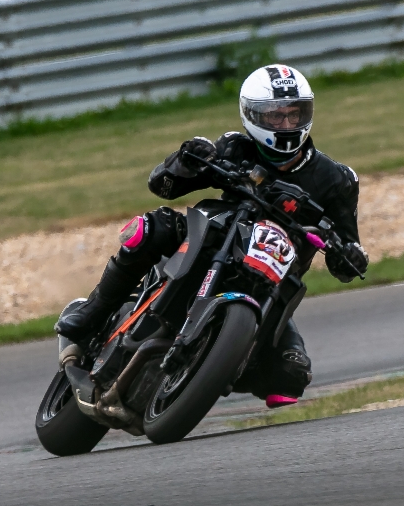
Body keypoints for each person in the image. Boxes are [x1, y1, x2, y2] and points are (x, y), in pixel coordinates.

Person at [55, 63, 369, 407]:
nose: (286, 124)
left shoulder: (338, 179)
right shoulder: (235, 147)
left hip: (272, 281)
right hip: (215, 237)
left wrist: (350, 255)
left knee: (291, 377)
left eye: (294, 114)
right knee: (151, 228)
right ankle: (94, 312)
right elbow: (163, 186)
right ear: (252, 115)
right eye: (275, 116)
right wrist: (186, 159)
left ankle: (212, 368)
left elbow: (347, 255)